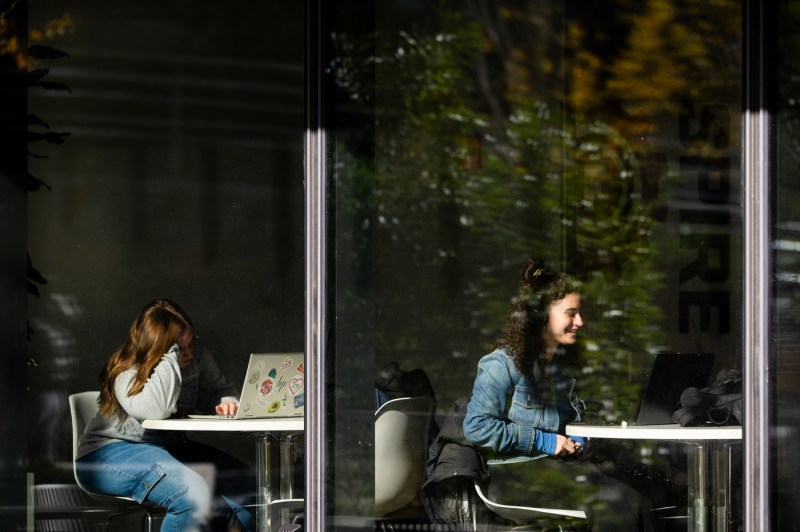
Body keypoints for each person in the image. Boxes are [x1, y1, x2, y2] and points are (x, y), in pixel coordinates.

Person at [462, 257, 653, 531]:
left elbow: (568, 424)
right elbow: (477, 428)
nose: (580, 321)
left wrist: (574, 440)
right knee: (614, 501)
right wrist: (547, 442)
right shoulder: (500, 363)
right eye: (571, 313)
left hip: (557, 469)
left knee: (637, 496)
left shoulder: (559, 369)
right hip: (515, 474)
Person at [74, 299, 252, 532]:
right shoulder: (128, 369)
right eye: (180, 347)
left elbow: (221, 389)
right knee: (193, 496)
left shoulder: (196, 354)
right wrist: (170, 357)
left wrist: (227, 402)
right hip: (111, 451)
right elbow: (157, 409)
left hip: (168, 447)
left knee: (248, 487)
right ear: (160, 346)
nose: (189, 353)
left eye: (191, 343)